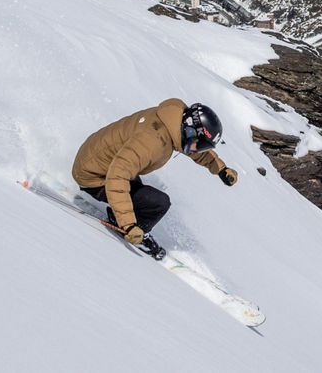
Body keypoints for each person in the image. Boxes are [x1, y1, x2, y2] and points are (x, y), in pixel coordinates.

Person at [72, 99, 238, 259]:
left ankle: (126, 219)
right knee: (158, 203)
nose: (198, 151)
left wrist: (221, 169)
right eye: (199, 145)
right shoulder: (152, 141)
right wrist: (128, 224)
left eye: (203, 147)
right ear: (189, 131)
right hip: (93, 176)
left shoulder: (172, 121)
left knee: (142, 194)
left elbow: (192, 148)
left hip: (100, 162)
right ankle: (126, 226)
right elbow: (117, 176)